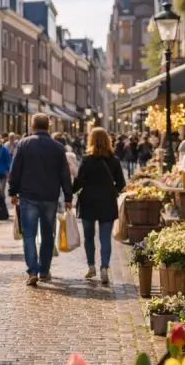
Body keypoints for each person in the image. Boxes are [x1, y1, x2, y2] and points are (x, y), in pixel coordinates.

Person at [8, 113, 73, 286]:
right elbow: (65, 174)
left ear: (32, 125)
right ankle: (44, 270)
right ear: (48, 126)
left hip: (28, 196)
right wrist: (68, 196)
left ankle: (32, 271)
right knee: (47, 234)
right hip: (50, 197)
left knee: (29, 235)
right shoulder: (58, 148)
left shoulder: (23, 144)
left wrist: (12, 192)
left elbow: (15, 171)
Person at [73, 128, 126, 285]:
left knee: (89, 237)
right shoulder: (114, 161)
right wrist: (112, 191)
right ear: (108, 141)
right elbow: (121, 184)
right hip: (107, 202)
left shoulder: (86, 160)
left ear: (91, 140)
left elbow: (79, 182)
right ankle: (104, 267)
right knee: (105, 238)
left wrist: (71, 191)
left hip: (88, 202)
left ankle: (91, 266)